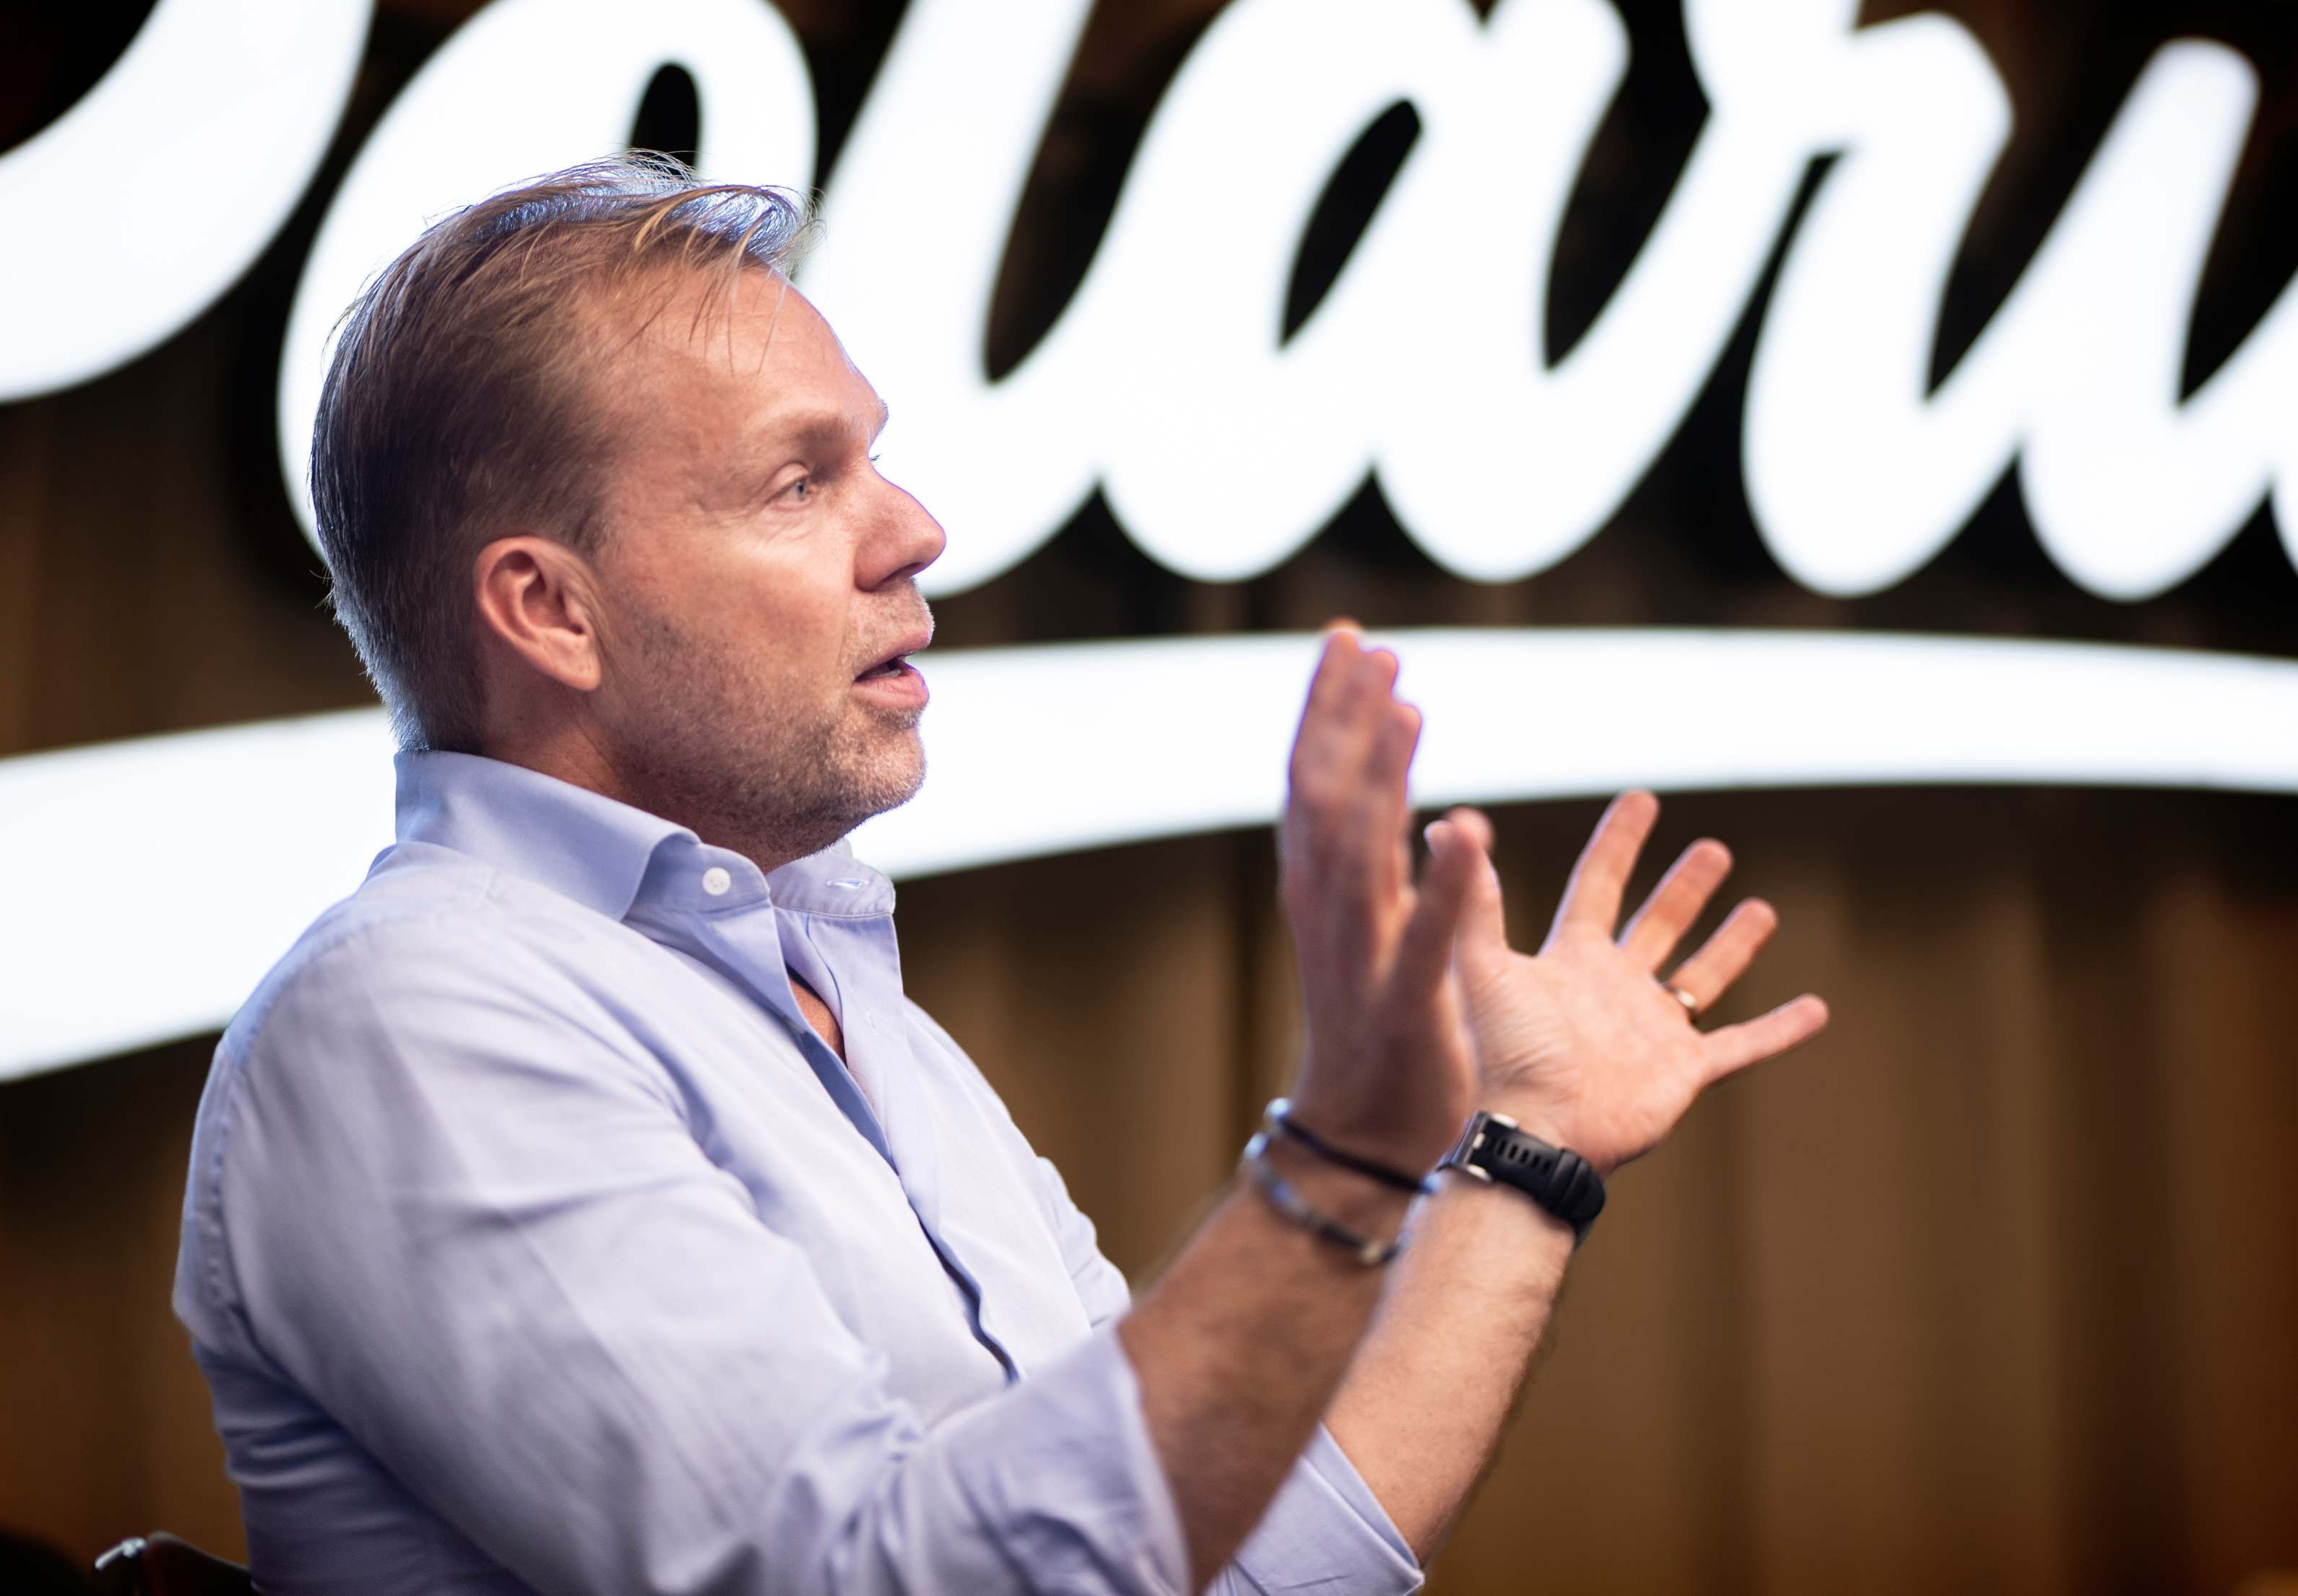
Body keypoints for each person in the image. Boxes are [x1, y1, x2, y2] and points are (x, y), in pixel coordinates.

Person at [173, 155, 1828, 1595]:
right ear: (550, 610)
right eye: (798, 479)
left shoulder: (843, 1002)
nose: (912, 529)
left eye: (872, 459)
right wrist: (1332, 1156)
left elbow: (1219, 1564)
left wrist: (1512, 1149)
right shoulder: (413, 1016)